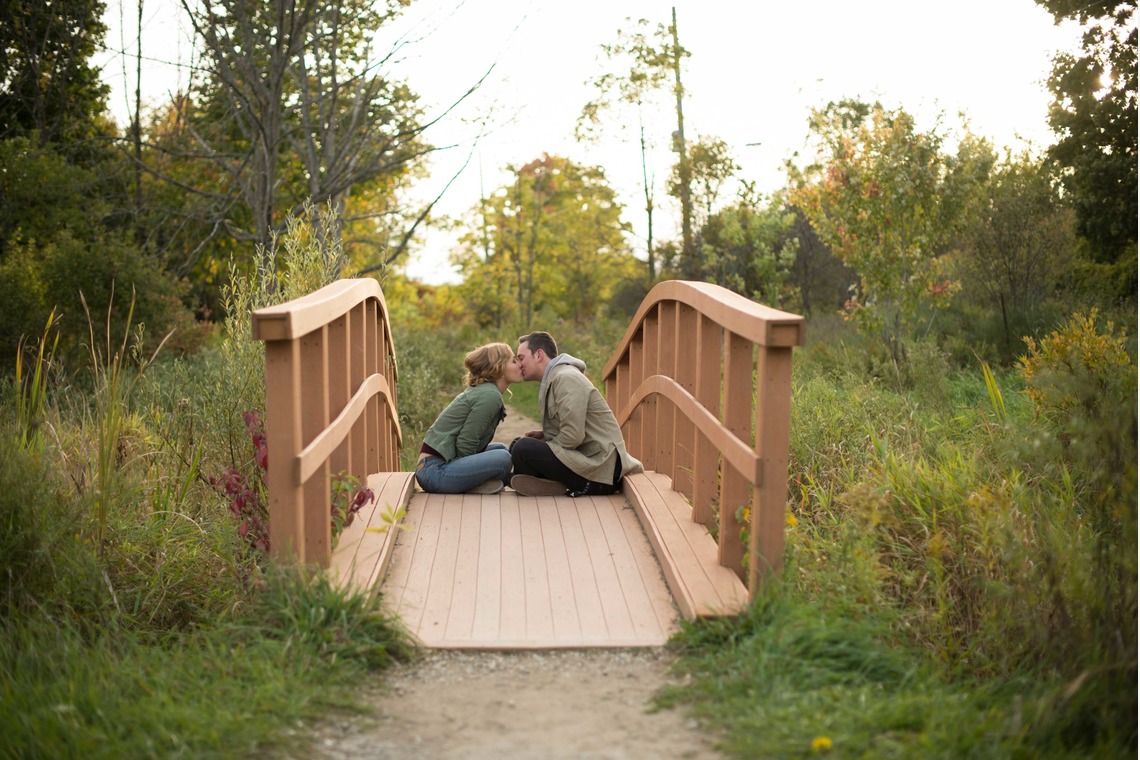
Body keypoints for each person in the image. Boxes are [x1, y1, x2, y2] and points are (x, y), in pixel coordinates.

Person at [509, 331, 642, 497]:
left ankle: (552, 484)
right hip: (585, 461)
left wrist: (546, 445)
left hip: (601, 471)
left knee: (523, 449)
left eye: (521, 358)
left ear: (539, 354)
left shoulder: (566, 378)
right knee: (519, 444)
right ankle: (546, 484)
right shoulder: (556, 377)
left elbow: (573, 436)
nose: (519, 364)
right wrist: (544, 436)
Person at [415, 342, 523, 495]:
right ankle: (474, 484)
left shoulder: (487, 391)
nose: (519, 364)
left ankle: (478, 484)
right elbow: (466, 443)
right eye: (513, 361)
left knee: (500, 449)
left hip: (432, 468)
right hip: (435, 472)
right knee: (503, 458)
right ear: (499, 368)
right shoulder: (490, 396)